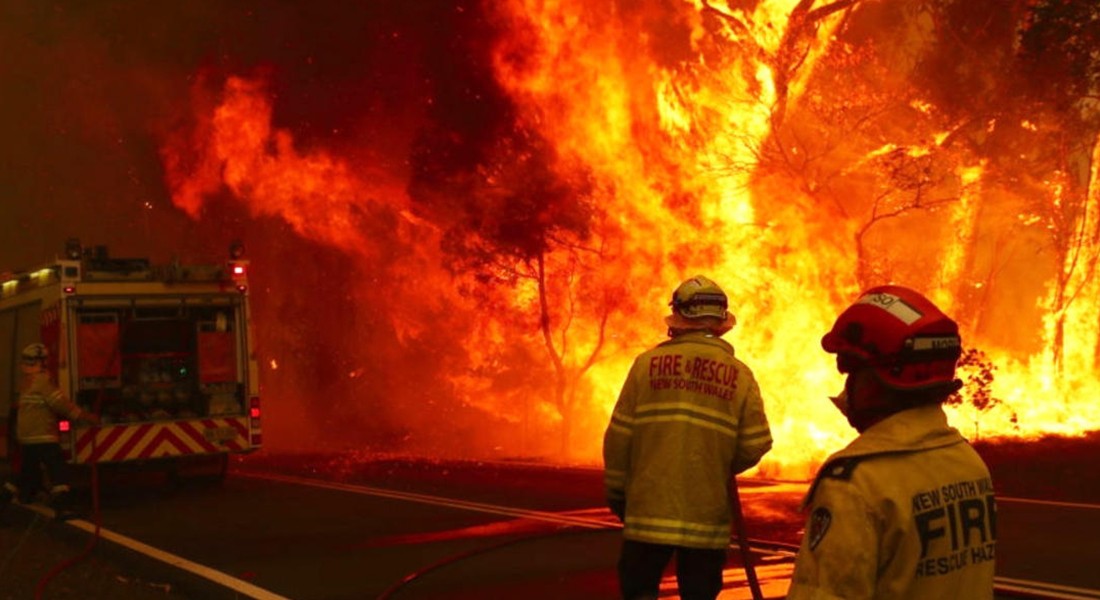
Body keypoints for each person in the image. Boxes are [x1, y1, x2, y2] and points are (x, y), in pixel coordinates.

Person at [786, 286, 997, 599]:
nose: (847, 386)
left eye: (851, 370)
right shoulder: (968, 462)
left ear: (881, 378)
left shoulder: (857, 485)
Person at [603, 275, 773, 600]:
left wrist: (617, 492)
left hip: (646, 515)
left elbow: (619, 436)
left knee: (638, 590)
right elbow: (757, 442)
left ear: (677, 320)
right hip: (705, 522)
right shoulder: (740, 376)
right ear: (722, 323)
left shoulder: (645, 365)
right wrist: (717, 460)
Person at [0, 343, 99, 520]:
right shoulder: (42, 381)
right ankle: (64, 508)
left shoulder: (26, 382)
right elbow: (60, 404)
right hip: (43, 436)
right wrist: (86, 416)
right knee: (58, 470)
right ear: (41, 361)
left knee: (24, 475)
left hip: (28, 437)